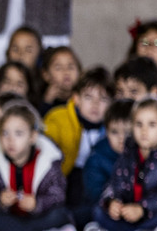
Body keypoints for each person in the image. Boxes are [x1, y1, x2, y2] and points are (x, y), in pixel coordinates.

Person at [0, 100, 76, 231]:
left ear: (32, 136)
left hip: (39, 217)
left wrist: (37, 204)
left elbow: (58, 195)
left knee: (60, 214)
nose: (11, 140)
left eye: (19, 133)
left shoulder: (49, 159)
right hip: (10, 217)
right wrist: (0, 200)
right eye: (5, 133)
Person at [84, 98, 157, 231]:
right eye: (138, 124)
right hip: (129, 215)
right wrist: (112, 202)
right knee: (98, 212)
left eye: (152, 125)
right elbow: (115, 182)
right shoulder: (128, 153)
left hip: (153, 214)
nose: (144, 131)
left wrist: (142, 209)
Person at [42, 68, 112, 216]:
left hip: (99, 179)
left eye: (103, 99)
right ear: (76, 98)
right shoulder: (58, 118)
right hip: (65, 175)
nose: (95, 104)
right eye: (88, 97)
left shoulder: (113, 127)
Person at [82, 99, 134, 211]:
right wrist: (111, 204)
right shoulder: (97, 158)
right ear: (106, 131)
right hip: (109, 209)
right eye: (114, 132)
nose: (122, 138)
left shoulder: (145, 154)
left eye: (128, 132)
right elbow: (95, 195)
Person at [37, 45, 80, 116]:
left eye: (70, 67)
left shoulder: (83, 98)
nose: (66, 71)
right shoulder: (41, 100)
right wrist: (47, 102)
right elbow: (39, 125)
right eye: (58, 67)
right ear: (46, 75)